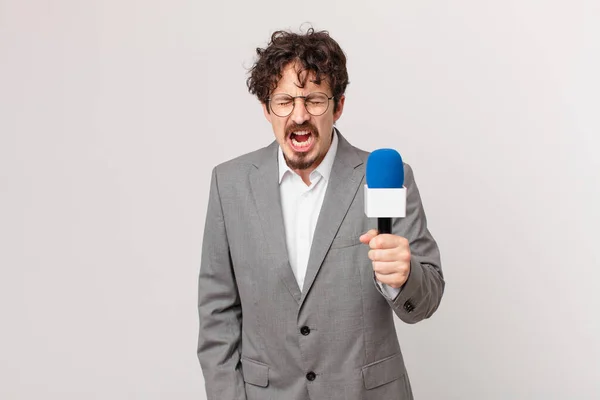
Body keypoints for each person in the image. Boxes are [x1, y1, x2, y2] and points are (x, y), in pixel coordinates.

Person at [197, 27, 444, 400]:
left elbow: (425, 301)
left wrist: (402, 277)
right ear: (266, 109)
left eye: (314, 100)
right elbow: (217, 315)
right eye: (284, 101)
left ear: (338, 105)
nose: (299, 115)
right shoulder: (229, 184)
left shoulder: (385, 180)